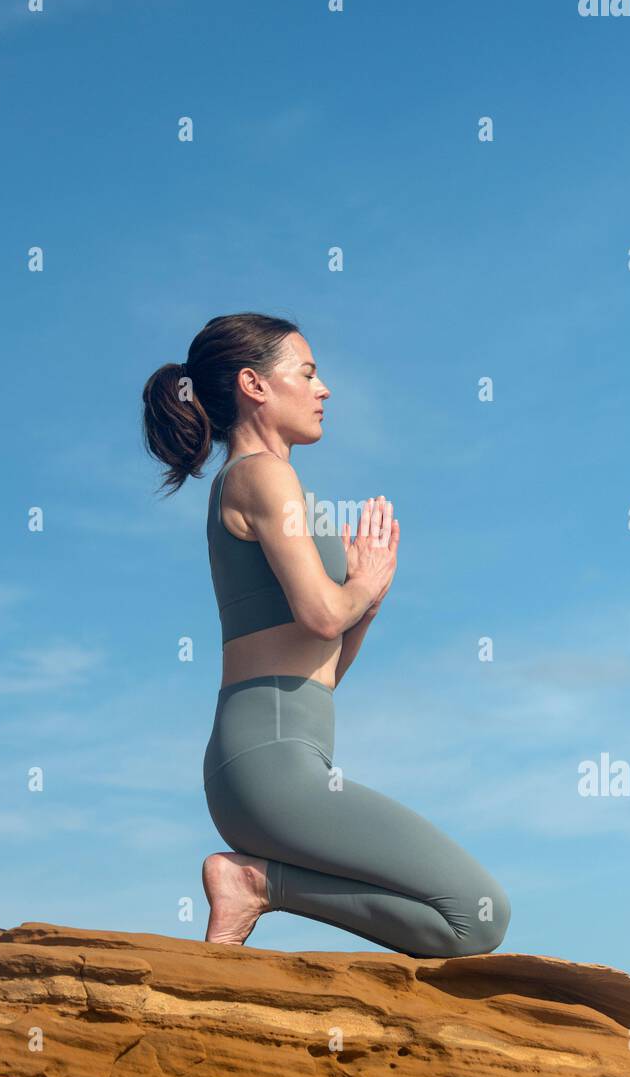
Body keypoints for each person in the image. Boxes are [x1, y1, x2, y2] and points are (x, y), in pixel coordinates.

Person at [141, 312, 511, 958]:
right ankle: (255, 884)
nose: (325, 389)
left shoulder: (280, 491)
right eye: (308, 372)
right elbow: (318, 613)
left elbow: (322, 666)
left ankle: (257, 882)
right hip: (269, 762)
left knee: (467, 923)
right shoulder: (260, 476)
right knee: (479, 914)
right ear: (254, 385)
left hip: (278, 759)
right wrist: (358, 588)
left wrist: (365, 604)